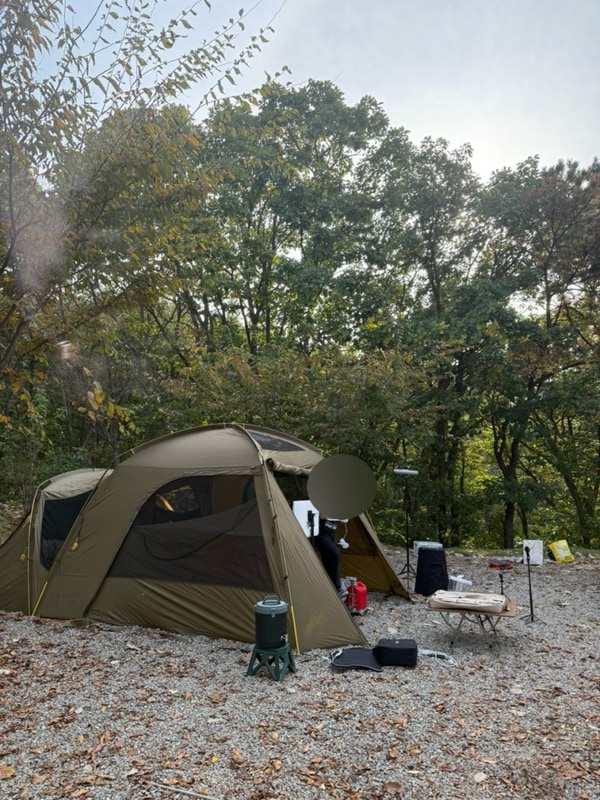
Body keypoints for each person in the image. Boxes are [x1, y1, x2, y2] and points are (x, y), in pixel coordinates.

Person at [315, 513, 347, 599]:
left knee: (327, 559)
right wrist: (337, 515)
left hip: (330, 534)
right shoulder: (325, 502)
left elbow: (345, 519)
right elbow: (321, 516)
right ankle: (337, 588)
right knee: (334, 554)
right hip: (321, 533)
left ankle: (327, 587)